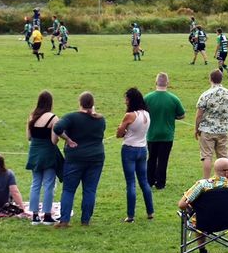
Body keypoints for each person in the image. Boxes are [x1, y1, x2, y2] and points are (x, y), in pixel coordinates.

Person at [54, 92, 107, 227]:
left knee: (69, 190)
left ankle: (64, 220)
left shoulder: (72, 117)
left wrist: (68, 139)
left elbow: (57, 127)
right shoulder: (100, 119)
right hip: (96, 157)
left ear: (80, 103)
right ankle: (85, 220)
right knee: (90, 190)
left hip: (75, 158)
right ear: (92, 104)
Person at [177, 157, 228, 253]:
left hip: (201, 223)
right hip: (226, 223)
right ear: (227, 173)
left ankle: (202, 252)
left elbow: (182, 205)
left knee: (198, 216)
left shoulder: (202, 185)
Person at [116, 87, 154, 222]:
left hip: (129, 149)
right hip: (142, 149)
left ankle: (131, 215)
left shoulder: (129, 116)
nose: (125, 101)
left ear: (131, 100)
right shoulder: (146, 114)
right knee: (144, 181)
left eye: (126, 99)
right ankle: (150, 212)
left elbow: (119, 134)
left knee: (131, 183)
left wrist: (121, 130)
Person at [144, 72, 186, 190]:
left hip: (152, 134)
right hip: (167, 135)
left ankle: (149, 180)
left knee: (151, 158)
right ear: (167, 83)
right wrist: (173, 116)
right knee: (163, 159)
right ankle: (160, 183)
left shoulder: (147, 98)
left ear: (156, 82)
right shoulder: (173, 99)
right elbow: (182, 115)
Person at [195, 69, 228, 178]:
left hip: (207, 130)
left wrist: (196, 128)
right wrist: (224, 114)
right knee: (224, 156)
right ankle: (226, 181)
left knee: (207, 156)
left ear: (210, 79)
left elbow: (199, 114)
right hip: (223, 130)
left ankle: (206, 180)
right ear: (221, 79)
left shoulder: (206, 95)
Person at [25, 90, 61, 224]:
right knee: (48, 185)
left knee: (35, 184)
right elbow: (54, 141)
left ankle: (34, 215)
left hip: (34, 152)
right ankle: (46, 215)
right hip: (48, 153)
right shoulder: (53, 118)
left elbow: (29, 137)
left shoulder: (31, 116)